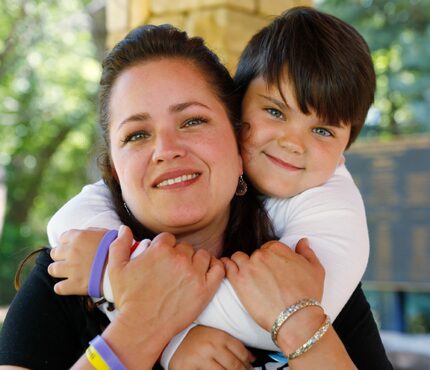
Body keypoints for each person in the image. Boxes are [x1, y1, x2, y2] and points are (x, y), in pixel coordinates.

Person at [0, 23, 365, 370]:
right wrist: (146, 327)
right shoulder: (66, 275)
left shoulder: (301, 269)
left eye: (192, 121)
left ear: (239, 142)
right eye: (137, 135)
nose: (166, 149)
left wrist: (302, 326)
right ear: (114, 170)